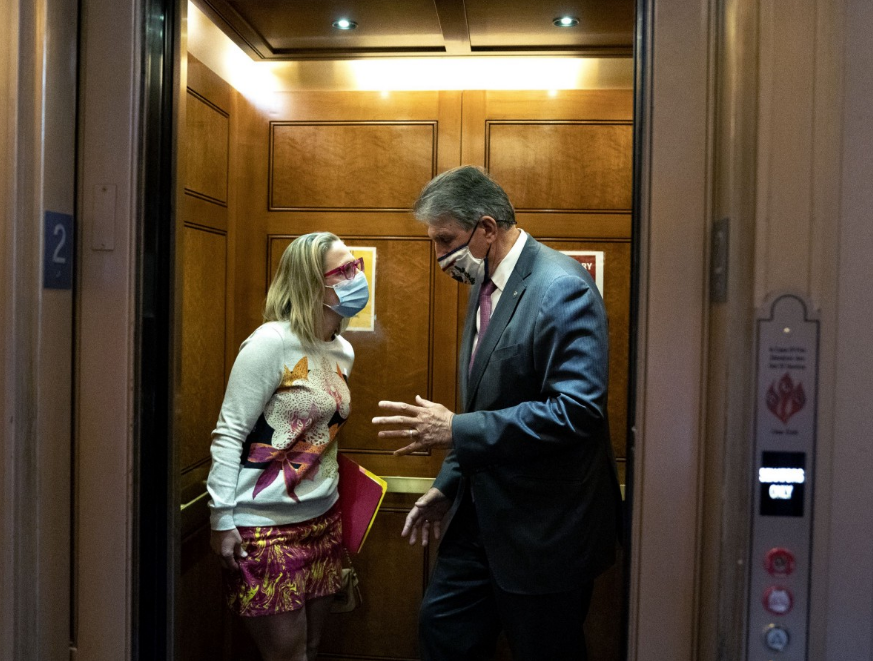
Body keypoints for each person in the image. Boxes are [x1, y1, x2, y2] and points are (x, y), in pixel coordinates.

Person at [372, 166, 621, 660]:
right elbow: (489, 405)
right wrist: (447, 483)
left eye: (445, 240)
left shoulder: (560, 286)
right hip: (480, 520)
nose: (440, 256)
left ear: (486, 228)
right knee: (442, 631)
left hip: (544, 531)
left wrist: (453, 429)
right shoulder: (485, 284)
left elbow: (577, 411)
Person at [207, 232, 369, 661]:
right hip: (264, 527)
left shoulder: (343, 350)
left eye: (358, 267)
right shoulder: (270, 343)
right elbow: (230, 432)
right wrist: (221, 518)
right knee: (287, 655)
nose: (357, 278)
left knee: (313, 647)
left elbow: (324, 432)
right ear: (310, 284)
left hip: (322, 520)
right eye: (345, 271)